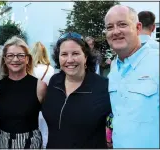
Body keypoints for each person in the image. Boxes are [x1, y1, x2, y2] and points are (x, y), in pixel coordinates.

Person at [42, 32, 112, 148]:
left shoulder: (103, 86)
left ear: (85, 57)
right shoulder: (54, 82)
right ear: (58, 57)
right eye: (64, 54)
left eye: (75, 53)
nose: (69, 60)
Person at [105, 5, 159, 148]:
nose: (115, 31)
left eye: (122, 24)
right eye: (110, 27)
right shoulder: (114, 69)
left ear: (138, 27)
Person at [0, 36, 47, 149]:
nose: (15, 59)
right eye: (10, 55)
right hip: (3, 144)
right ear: (5, 59)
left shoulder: (40, 86)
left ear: (27, 59)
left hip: (31, 144)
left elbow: (51, 119)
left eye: (20, 55)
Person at [31, 41, 55, 148]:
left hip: (31, 106)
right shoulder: (50, 69)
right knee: (45, 134)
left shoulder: (29, 69)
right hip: (46, 105)